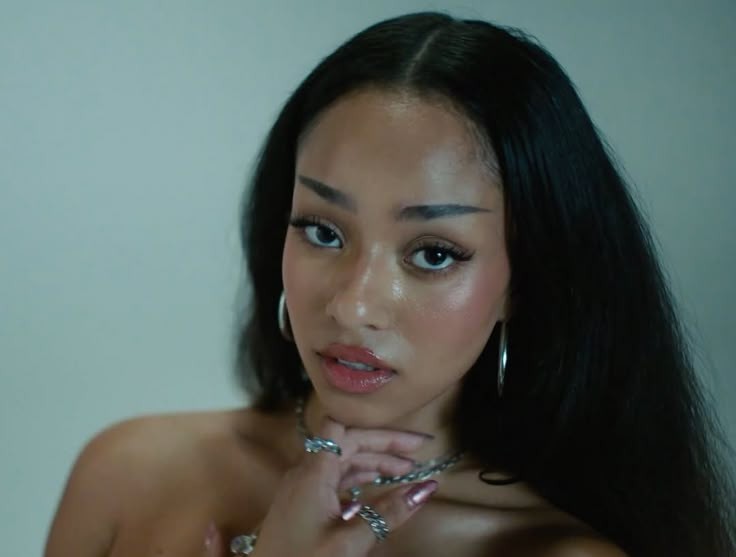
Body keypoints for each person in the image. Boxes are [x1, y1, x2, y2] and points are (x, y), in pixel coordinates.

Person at [44, 11, 735, 557]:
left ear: (524, 282)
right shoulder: (128, 474)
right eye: (322, 231)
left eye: (432, 254)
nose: (354, 304)